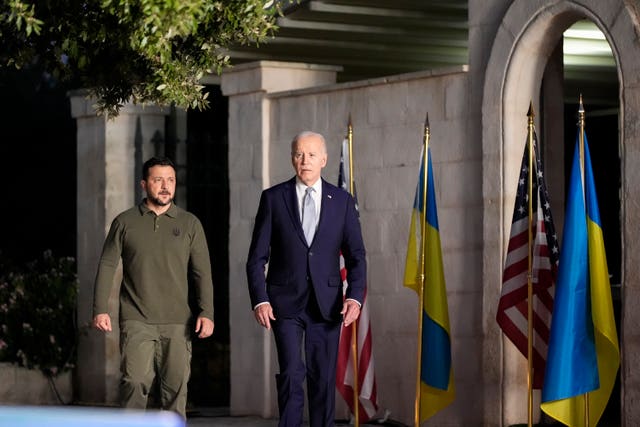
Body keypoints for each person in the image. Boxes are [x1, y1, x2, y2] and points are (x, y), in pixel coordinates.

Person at [246, 131, 367, 427]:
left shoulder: (342, 201)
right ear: (292, 159)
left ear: (324, 160)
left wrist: (354, 297)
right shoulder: (273, 198)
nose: (305, 160)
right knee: (290, 373)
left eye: (312, 155)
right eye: (299, 154)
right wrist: (260, 299)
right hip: (283, 304)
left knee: (322, 377)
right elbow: (256, 258)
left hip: (327, 305)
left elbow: (357, 257)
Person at [92, 156, 214, 418]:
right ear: (144, 185)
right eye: (158, 180)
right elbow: (107, 265)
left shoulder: (189, 223)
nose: (165, 186)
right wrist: (100, 308)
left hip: (178, 321)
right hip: (137, 319)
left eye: (170, 180)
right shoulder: (124, 222)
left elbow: (201, 273)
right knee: (134, 382)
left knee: (176, 392)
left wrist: (207, 312)